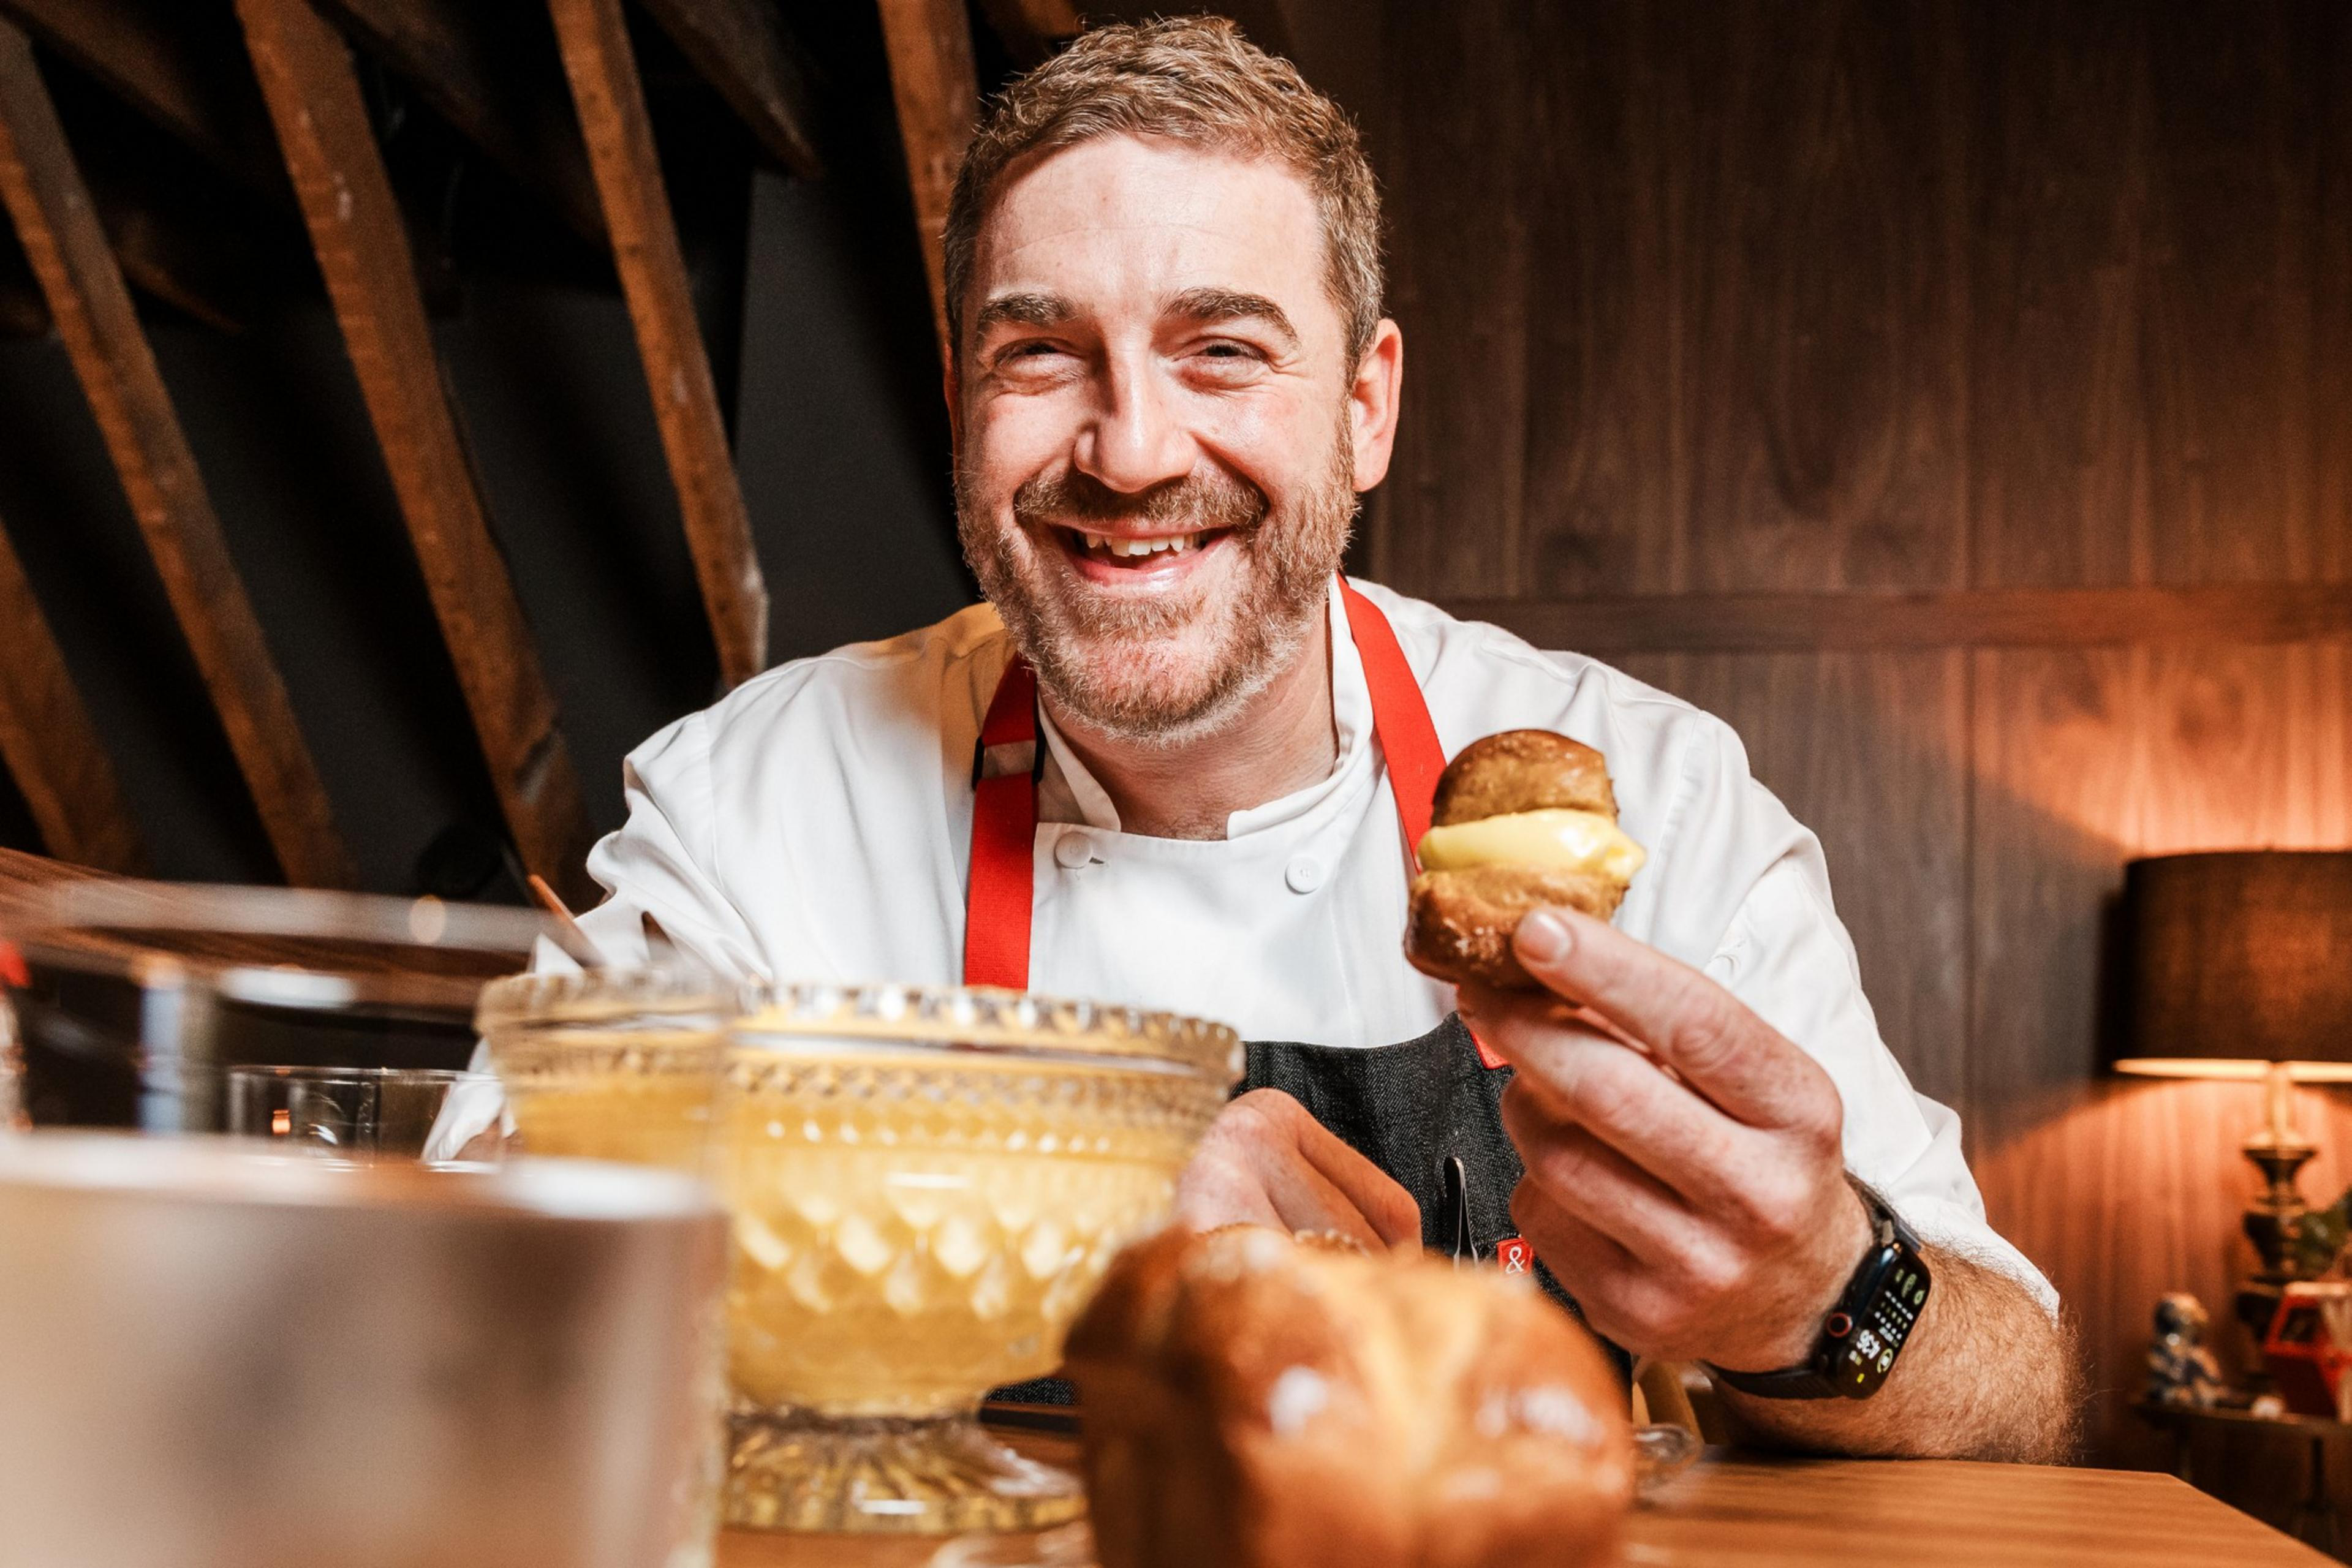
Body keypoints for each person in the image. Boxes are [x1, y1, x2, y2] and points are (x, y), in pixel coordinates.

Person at [543, 18, 2075, 1460]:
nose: (1130, 450)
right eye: (1039, 354)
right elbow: (490, 1268)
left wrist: (1819, 1293)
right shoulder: (753, 809)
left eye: (1220, 350)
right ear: (959, 401)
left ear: (1363, 409)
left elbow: (2018, 1397)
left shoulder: (1644, 794)